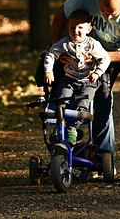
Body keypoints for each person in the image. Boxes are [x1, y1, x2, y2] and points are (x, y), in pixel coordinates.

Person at [50, 0, 120, 181]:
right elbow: (62, 14)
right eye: (104, 10)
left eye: (114, 13)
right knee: (101, 99)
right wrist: (56, 48)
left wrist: (107, 56)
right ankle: (103, 158)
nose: (107, 16)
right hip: (97, 51)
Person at [44, 9, 111, 145]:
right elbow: (51, 54)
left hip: (88, 81)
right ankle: (60, 126)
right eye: (72, 27)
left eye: (80, 27)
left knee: (83, 104)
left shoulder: (92, 44)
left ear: (88, 28)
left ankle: (73, 129)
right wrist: (48, 71)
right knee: (61, 99)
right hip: (69, 78)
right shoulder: (65, 43)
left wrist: (97, 72)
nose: (75, 31)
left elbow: (105, 59)